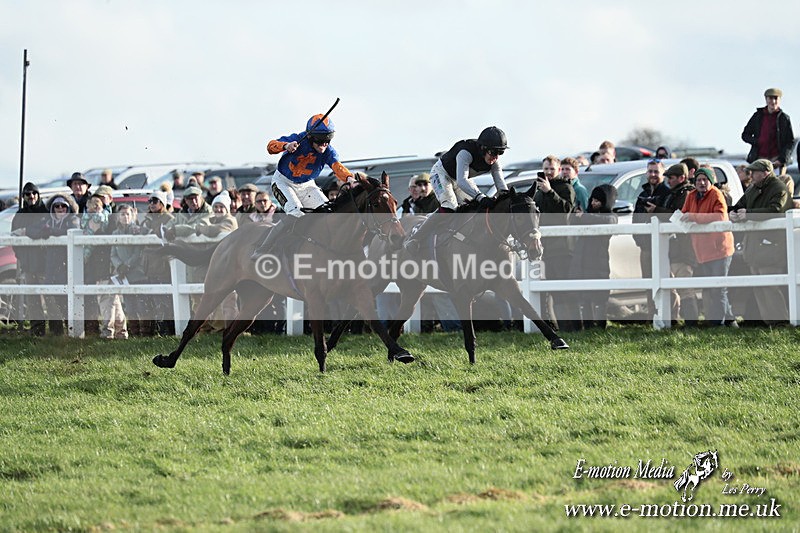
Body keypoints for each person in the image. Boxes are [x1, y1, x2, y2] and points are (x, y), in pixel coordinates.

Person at [250, 113, 354, 259]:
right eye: (321, 140)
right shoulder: (298, 139)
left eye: (328, 139)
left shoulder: (328, 151)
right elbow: (270, 146)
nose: (325, 144)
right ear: (310, 136)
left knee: (328, 214)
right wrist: (285, 146)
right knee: (296, 214)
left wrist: (349, 178)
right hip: (283, 182)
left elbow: (337, 167)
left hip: (307, 185)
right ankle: (263, 249)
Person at [403, 126, 509, 252]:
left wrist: (508, 198)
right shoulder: (465, 152)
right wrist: (481, 197)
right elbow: (462, 181)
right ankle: (416, 238)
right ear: (482, 149)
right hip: (442, 174)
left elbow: (501, 185)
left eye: (500, 153)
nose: (496, 157)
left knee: (475, 208)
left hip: (460, 178)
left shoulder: (495, 162)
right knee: (450, 206)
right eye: (493, 152)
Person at [729, 159, 792, 325]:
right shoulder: (753, 188)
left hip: (772, 246)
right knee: (758, 285)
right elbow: (739, 205)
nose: (751, 175)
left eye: (755, 172)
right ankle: (768, 321)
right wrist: (733, 214)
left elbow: (776, 210)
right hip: (754, 247)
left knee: (771, 285)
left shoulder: (779, 189)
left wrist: (748, 214)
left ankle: (780, 322)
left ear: (765, 173)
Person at [680, 168, 736, 327]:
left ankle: (718, 324)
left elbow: (720, 216)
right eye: (698, 180)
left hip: (720, 248)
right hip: (702, 250)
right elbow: (684, 213)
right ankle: (730, 322)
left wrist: (693, 217)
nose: (702, 183)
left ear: (711, 181)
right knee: (712, 288)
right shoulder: (691, 196)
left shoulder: (717, 194)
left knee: (719, 289)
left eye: (705, 179)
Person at [534, 155, 577, 331]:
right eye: (546, 169)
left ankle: (573, 327)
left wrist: (550, 192)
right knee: (547, 291)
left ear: (559, 170)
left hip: (562, 248)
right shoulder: (538, 190)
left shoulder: (565, 188)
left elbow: (565, 211)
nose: (549, 172)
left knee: (564, 291)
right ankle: (555, 327)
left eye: (552, 169)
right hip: (544, 247)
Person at [28, 194, 80, 335]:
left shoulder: (73, 219)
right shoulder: (47, 220)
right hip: (51, 266)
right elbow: (30, 230)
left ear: (68, 208)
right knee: (52, 301)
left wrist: (51, 232)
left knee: (67, 301)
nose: (60, 208)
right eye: (57, 206)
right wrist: (42, 232)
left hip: (68, 265)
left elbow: (71, 231)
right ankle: (57, 333)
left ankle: (73, 332)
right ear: (52, 208)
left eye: (63, 206)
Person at [652, 163, 697, 325]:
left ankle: (691, 323)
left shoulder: (686, 194)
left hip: (684, 250)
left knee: (685, 287)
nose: (668, 181)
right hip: (675, 248)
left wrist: (657, 210)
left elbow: (679, 218)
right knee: (673, 287)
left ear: (681, 178)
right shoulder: (674, 193)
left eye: (671, 178)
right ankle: (676, 320)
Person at [569, 184, 618, 329]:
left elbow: (609, 221)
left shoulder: (610, 216)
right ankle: (588, 326)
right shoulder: (587, 216)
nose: (593, 203)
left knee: (600, 296)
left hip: (598, 262)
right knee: (584, 296)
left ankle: (600, 325)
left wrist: (583, 216)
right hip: (582, 261)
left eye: (598, 201)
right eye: (593, 200)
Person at [632, 159, 671, 320]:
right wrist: (638, 239)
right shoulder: (642, 194)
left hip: (664, 248)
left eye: (656, 171)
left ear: (662, 173)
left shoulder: (667, 193)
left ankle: (669, 316)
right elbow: (636, 218)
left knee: (666, 284)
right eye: (650, 171)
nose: (653, 174)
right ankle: (651, 316)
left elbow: (670, 216)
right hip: (646, 247)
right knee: (648, 283)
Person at [10, 182, 49, 336]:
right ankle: (37, 330)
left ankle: (56, 331)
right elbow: (14, 238)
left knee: (50, 298)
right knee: (32, 300)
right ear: (23, 197)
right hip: (28, 263)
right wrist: (21, 257)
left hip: (45, 263)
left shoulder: (45, 212)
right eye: (27, 194)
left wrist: (27, 232)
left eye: (34, 193)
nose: (31, 196)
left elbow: (45, 230)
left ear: (38, 195)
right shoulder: (19, 215)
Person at [141, 190, 175, 336]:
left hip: (163, 264)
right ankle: (159, 330)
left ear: (162, 203)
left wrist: (148, 230)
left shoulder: (169, 218)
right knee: (155, 299)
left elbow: (165, 234)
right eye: (150, 201)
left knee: (166, 300)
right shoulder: (146, 218)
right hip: (149, 264)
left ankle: (169, 330)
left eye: (155, 201)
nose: (151, 204)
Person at [111, 205, 146, 336]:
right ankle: (134, 333)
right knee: (130, 306)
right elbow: (113, 254)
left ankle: (145, 333)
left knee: (142, 306)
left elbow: (138, 252)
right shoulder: (115, 234)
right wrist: (119, 266)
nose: (125, 217)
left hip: (138, 273)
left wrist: (128, 265)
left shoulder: (136, 231)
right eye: (122, 214)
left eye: (127, 214)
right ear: (118, 217)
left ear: (132, 216)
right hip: (124, 275)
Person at [741, 88, 794, 176]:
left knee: (776, 187)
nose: (773, 101)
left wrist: (781, 159)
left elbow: (790, 142)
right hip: (759, 159)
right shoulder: (758, 116)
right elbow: (745, 135)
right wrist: (757, 141)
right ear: (766, 99)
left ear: (779, 100)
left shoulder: (784, 118)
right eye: (770, 98)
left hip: (776, 161)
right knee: (758, 185)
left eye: (775, 98)